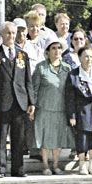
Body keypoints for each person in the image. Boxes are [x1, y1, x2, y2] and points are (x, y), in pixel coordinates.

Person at [0, 22, 35, 178]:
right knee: (1, 138)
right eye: (8, 33)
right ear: (1, 35)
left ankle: (18, 169)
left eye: (14, 33)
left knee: (19, 138)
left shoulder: (22, 55)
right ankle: (0, 169)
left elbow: (28, 80)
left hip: (20, 102)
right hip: (1, 102)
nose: (12, 36)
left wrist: (31, 102)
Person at [65, 45, 92, 175]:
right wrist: (72, 115)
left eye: (91, 56)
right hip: (82, 111)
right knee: (82, 138)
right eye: (86, 57)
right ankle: (82, 165)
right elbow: (69, 97)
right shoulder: (73, 75)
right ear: (79, 58)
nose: (89, 59)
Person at [32, 40, 74, 175]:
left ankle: (56, 165)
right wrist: (32, 106)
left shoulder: (67, 68)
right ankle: (45, 166)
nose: (57, 51)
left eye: (59, 48)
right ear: (48, 52)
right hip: (44, 108)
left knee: (59, 139)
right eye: (54, 48)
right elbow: (34, 89)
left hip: (61, 109)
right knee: (45, 139)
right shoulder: (41, 67)